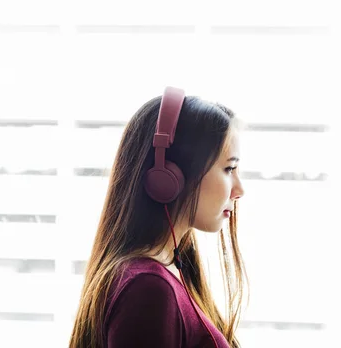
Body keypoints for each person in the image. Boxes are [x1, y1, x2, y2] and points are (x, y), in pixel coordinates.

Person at [69, 86, 248, 348]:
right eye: (229, 168)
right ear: (169, 176)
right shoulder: (148, 288)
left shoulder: (172, 268)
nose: (239, 190)